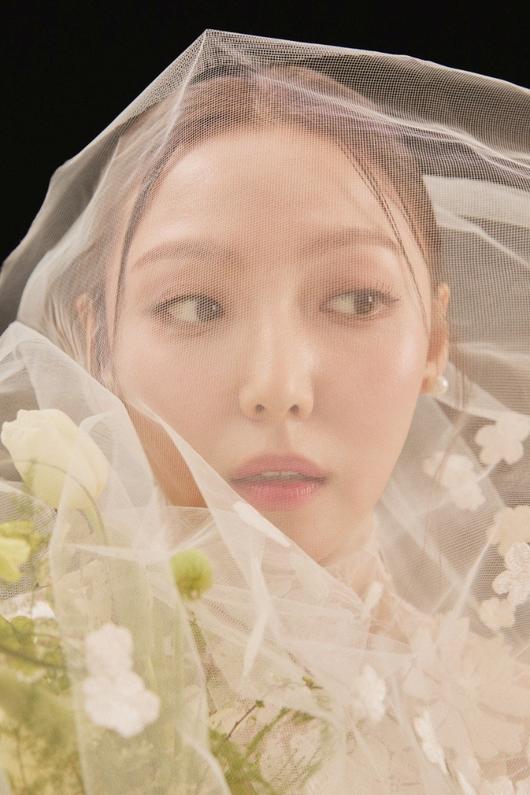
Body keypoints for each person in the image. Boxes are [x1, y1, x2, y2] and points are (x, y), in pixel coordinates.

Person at [0, 29, 529, 794]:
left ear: (434, 341)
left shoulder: (503, 725)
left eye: (356, 299)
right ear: (96, 345)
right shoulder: (26, 679)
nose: (277, 386)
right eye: (194, 304)